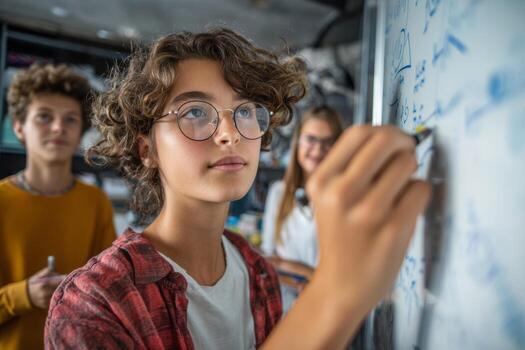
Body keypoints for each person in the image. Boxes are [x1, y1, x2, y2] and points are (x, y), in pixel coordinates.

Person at [45, 28, 430, 349]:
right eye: (195, 112)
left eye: (245, 111)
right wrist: (333, 295)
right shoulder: (95, 302)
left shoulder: (257, 270)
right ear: (147, 149)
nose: (231, 133)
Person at [0, 64, 117, 349]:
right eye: (44, 117)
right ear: (19, 128)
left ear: (80, 133)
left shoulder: (95, 202)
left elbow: (110, 291)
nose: (57, 128)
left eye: (70, 120)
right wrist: (24, 294)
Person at [262, 105, 343, 310]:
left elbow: (343, 268)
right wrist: (309, 277)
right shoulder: (279, 192)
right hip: (288, 305)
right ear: (298, 141)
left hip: (331, 307)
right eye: (311, 139)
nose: (317, 150)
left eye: (327, 142)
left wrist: (303, 273)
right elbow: (268, 261)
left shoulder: (344, 197)